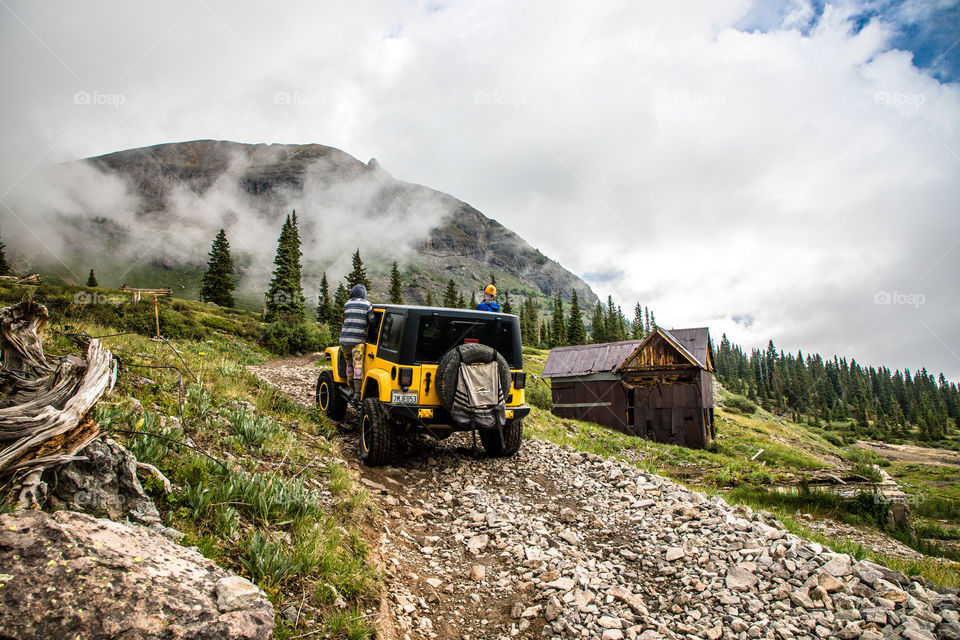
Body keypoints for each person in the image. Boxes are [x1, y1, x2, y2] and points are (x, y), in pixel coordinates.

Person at [339, 283, 375, 394]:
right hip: (358, 341)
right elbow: (373, 321)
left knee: (349, 364)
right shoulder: (367, 305)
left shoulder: (347, 304)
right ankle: (357, 393)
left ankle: (351, 389)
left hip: (344, 340)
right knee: (358, 365)